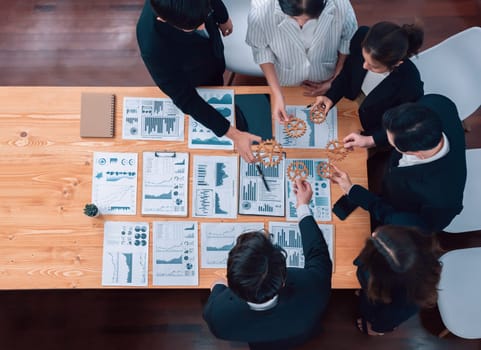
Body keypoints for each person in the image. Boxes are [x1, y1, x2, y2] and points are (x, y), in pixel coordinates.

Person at [203, 179, 332, 349]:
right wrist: (302, 206)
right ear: (283, 280)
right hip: (302, 331)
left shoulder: (217, 316)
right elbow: (318, 253)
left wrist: (218, 286)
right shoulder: (314, 288)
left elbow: (218, 288)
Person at [137, 0, 261, 162]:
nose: (203, 26)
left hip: (212, 51)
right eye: (193, 26)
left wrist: (222, 17)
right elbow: (185, 98)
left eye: (203, 19)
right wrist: (234, 135)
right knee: (213, 87)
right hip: (196, 72)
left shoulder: (202, 17)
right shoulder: (152, 47)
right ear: (163, 19)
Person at [330, 94, 467, 231]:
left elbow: (400, 220)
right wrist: (371, 140)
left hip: (397, 212)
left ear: (415, 152)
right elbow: (400, 127)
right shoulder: (437, 103)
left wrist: (352, 191)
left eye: (392, 143)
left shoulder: (442, 201)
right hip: (389, 180)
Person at [311, 21, 424, 146]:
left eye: (374, 66)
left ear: (397, 63)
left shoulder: (410, 85)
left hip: (375, 126)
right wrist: (330, 96)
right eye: (364, 59)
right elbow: (348, 72)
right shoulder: (361, 35)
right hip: (351, 98)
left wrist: (371, 140)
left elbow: (402, 125)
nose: (364, 66)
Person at [246, 0, 357, 123]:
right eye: (294, 18)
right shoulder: (262, 8)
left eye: (311, 18)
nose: (302, 24)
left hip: (324, 77)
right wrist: (277, 94)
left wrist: (335, 81)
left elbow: (348, 40)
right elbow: (260, 49)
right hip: (285, 79)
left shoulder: (340, 4)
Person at [354, 225, 442, 335]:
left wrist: (377, 328)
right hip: (379, 290)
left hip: (378, 306)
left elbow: (387, 321)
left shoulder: (406, 303)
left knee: (373, 312)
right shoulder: (418, 254)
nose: (373, 235)